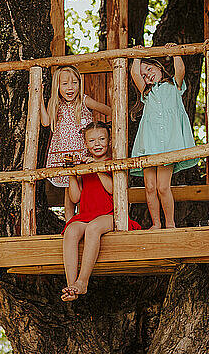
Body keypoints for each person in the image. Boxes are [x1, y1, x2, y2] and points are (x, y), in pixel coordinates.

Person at [61, 121, 141, 302]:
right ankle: (71, 285)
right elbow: (75, 197)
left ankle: (83, 281)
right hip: (87, 214)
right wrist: (73, 174)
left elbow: (113, 189)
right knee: (71, 230)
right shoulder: (83, 164)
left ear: (109, 140)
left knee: (93, 229)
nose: (97, 144)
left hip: (111, 214)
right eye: (91, 141)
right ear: (85, 144)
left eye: (102, 139)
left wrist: (96, 169)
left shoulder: (113, 162)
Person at [130, 43, 198, 229]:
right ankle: (156, 224)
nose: (147, 75)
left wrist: (174, 52)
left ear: (159, 67)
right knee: (150, 187)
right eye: (144, 75)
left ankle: (170, 223)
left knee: (162, 187)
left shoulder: (174, 86)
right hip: (149, 144)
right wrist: (136, 56)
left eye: (150, 69)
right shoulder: (147, 93)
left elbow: (181, 69)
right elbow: (135, 74)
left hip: (168, 144)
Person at [40, 66, 111, 221]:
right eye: (65, 83)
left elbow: (108, 110)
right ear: (57, 86)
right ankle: (70, 220)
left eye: (74, 82)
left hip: (82, 151)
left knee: (83, 187)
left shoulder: (84, 100)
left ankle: (85, 217)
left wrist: (103, 128)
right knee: (69, 188)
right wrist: (38, 97)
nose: (70, 87)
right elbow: (45, 122)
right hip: (64, 152)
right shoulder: (55, 102)